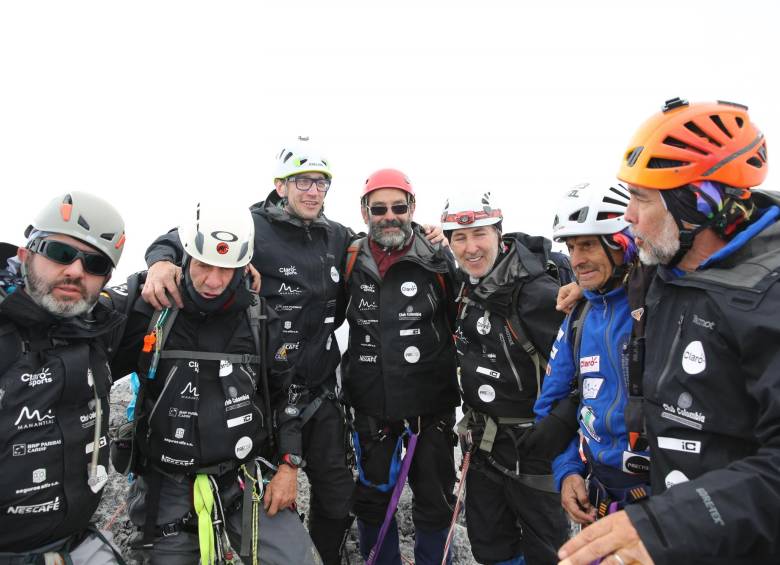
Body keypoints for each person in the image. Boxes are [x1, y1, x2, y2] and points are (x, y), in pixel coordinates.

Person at [558, 98, 780, 565]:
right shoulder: (663, 268)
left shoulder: (767, 297)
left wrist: (668, 524)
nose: (629, 215)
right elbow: (613, 267)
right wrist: (582, 288)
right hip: (671, 530)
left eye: (641, 198)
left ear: (696, 201)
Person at [141, 138, 356, 564]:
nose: (313, 191)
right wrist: (161, 260)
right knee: (261, 495)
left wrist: (428, 234)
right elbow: (190, 239)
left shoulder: (337, 236)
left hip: (318, 390)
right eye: (302, 181)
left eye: (321, 182)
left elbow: (376, 247)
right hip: (261, 391)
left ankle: (324, 554)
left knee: (336, 496)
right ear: (280, 185)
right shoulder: (251, 224)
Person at [105, 201, 321, 564]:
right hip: (166, 483)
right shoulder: (151, 306)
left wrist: (288, 465)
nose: (214, 281)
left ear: (245, 264)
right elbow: (83, 326)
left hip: (244, 477)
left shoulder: (259, 317)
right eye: (204, 265)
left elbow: (286, 394)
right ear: (186, 256)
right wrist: (155, 263)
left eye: (227, 268)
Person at [443, 192, 571, 565]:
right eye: (459, 238)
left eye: (479, 234)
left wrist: (557, 430)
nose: (470, 248)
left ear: (499, 233)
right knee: (491, 548)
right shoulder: (467, 285)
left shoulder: (536, 293)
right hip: (483, 447)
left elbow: (580, 369)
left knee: (548, 554)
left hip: (535, 452)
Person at [0, 191, 127, 564]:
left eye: (94, 263)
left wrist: (164, 261)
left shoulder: (99, 328)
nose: (75, 271)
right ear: (25, 254)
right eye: (59, 252)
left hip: (79, 543)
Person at [341, 168, 460, 565]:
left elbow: (467, 311)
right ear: (364, 212)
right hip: (371, 406)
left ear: (412, 207)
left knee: (435, 500)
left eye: (398, 207)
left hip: (432, 408)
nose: (389, 216)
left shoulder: (439, 256)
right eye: (379, 209)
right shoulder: (350, 256)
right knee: (373, 500)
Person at [534, 181, 650, 530]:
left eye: (587, 244)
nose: (576, 260)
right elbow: (550, 405)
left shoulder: (659, 305)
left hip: (666, 496)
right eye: (571, 247)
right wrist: (568, 471)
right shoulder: (579, 318)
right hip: (601, 494)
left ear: (622, 242)